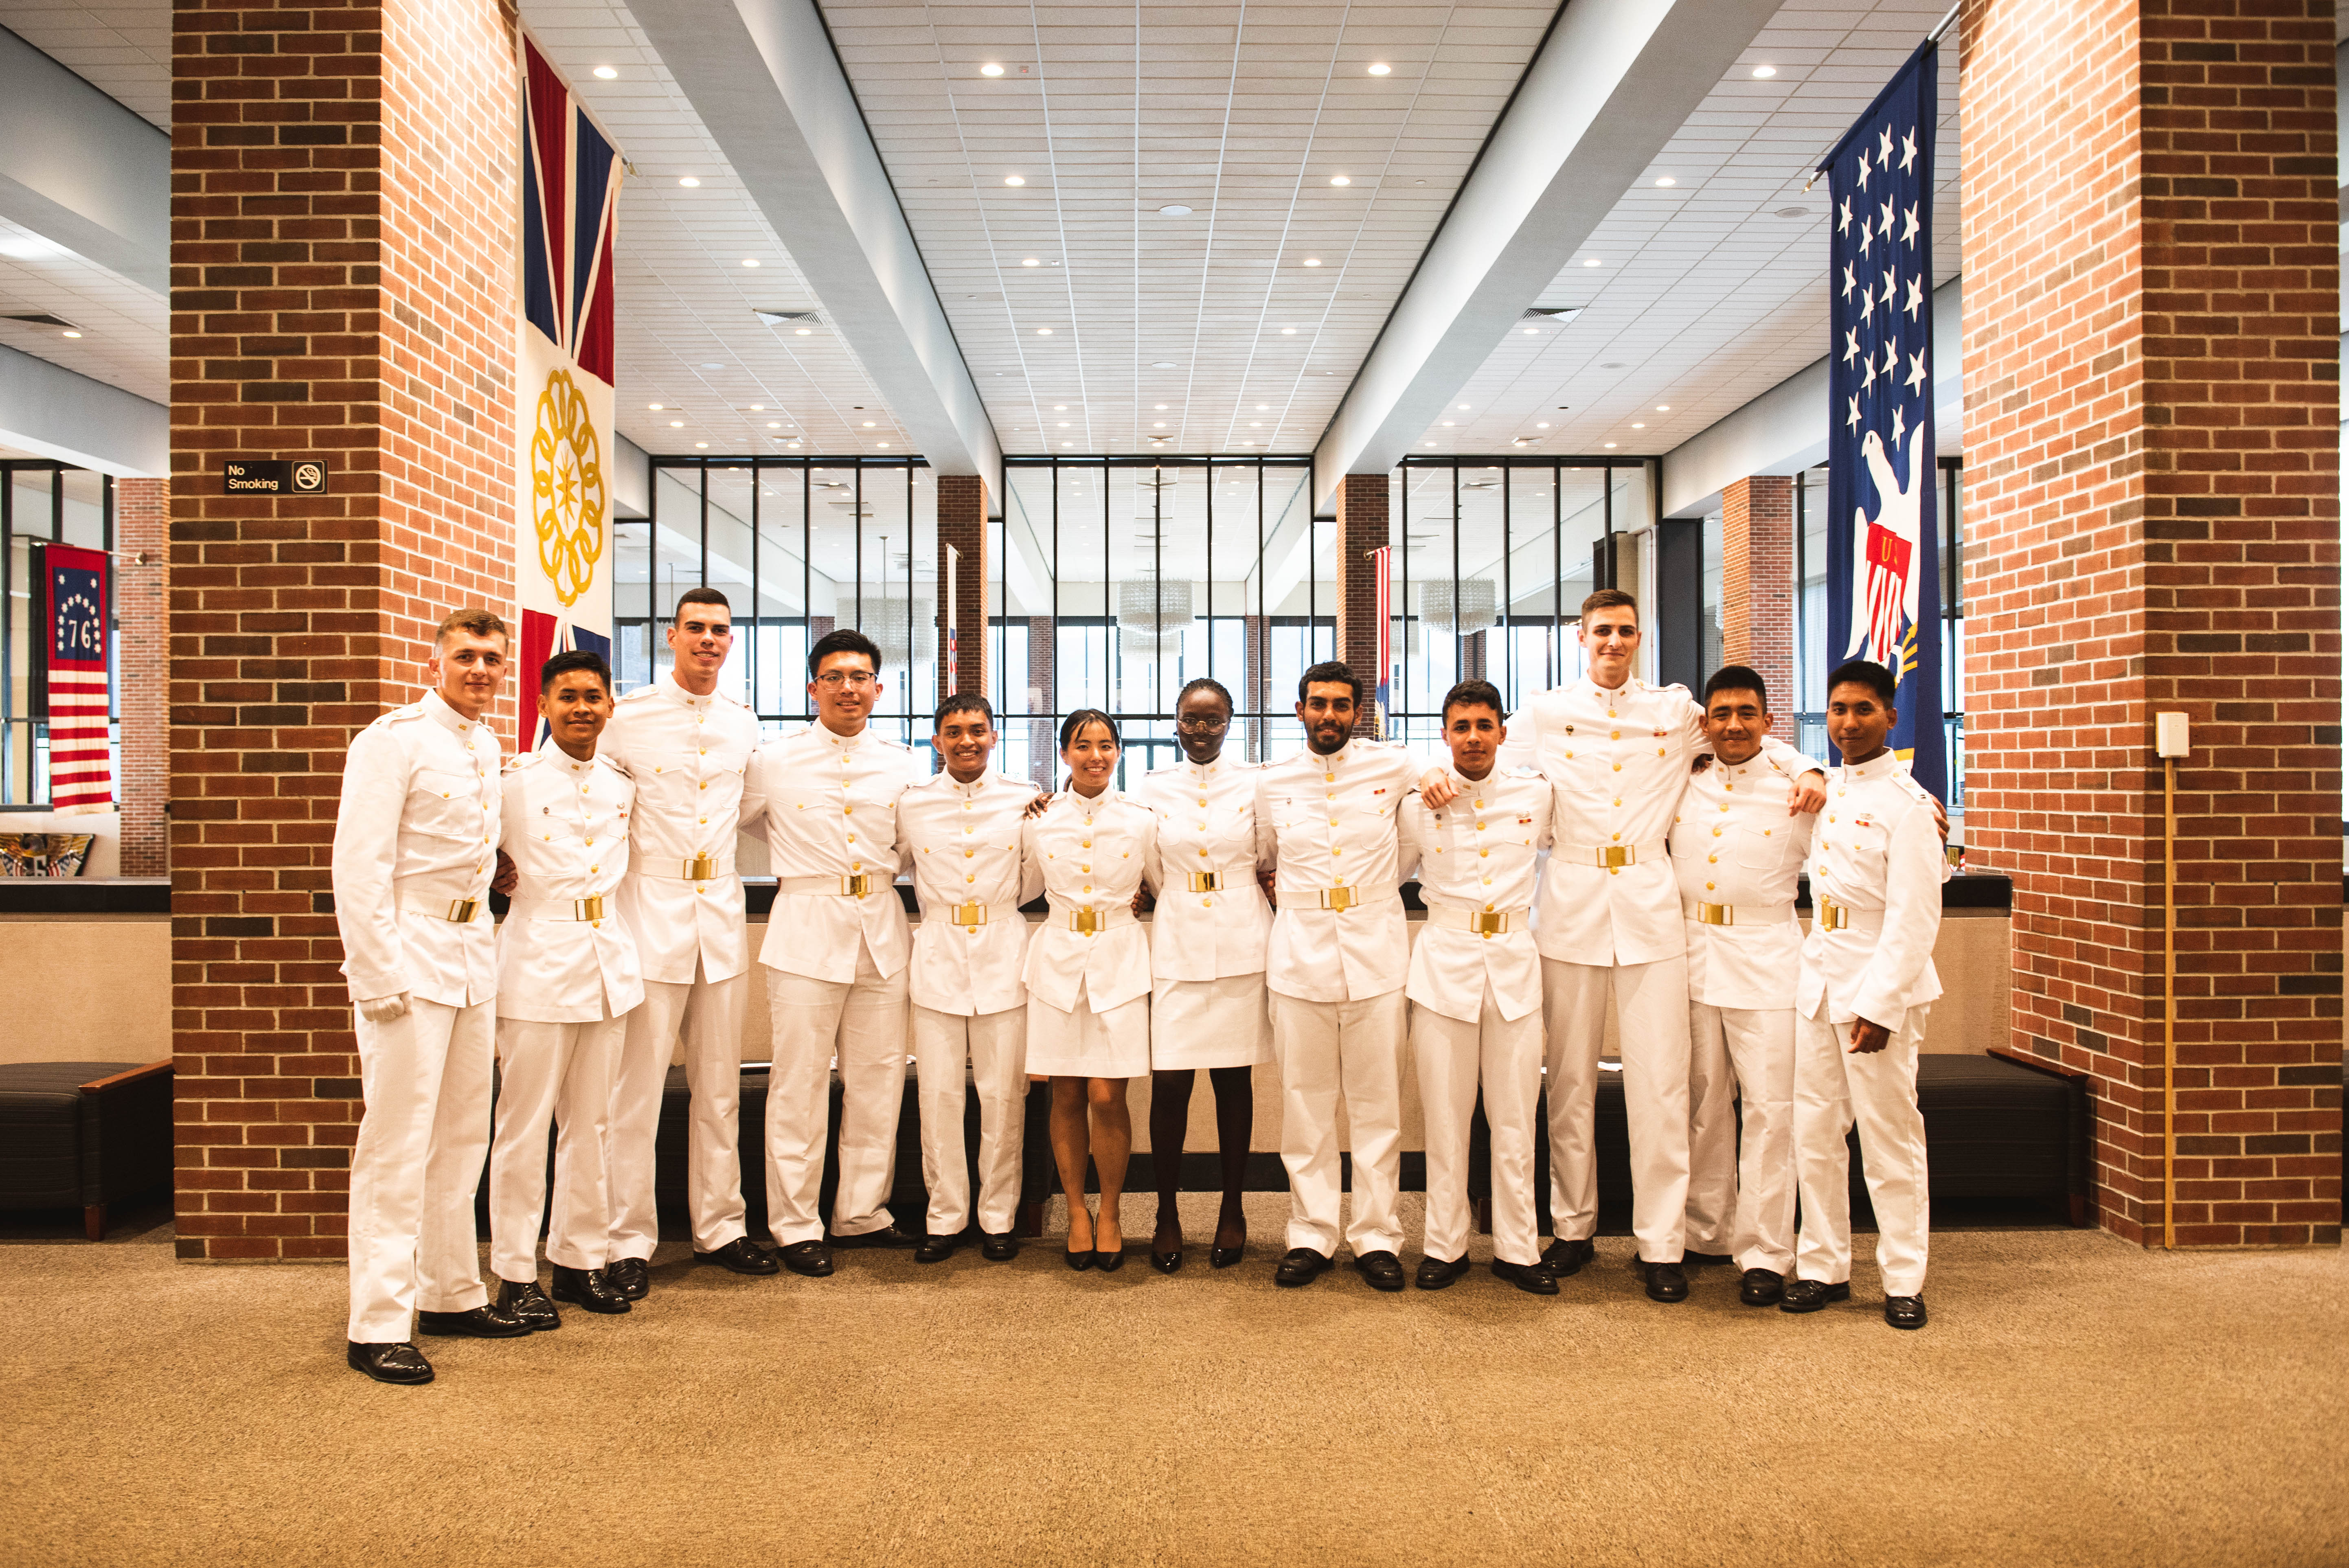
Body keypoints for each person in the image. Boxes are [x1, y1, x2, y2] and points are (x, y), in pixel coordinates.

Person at [1423, 590, 1823, 1303]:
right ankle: (1572, 1229)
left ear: (1640, 637)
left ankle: (1660, 1241)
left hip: (1649, 904)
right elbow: (1475, 755)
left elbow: (1750, 739)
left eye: (1626, 632)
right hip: (1571, 901)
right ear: (1581, 636)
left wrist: (1809, 770)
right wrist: (1427, 772)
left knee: (1660, 1083)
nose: (1614, 642)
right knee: (1569, 1082)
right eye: (1602, 631)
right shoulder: (1545, 713)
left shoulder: (1672, 712)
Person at [332, 608, 528, 1385]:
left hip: (473, 951)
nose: (481, 670)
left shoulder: (484, 746)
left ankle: (451, 1292)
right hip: (409, 957)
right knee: (396, 1145)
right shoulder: (393, 740)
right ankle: (377, 1320)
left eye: (493, 658)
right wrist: (377, 975)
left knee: (460, 1137)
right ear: (437, 659)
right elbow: (360, 866)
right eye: (468, 656)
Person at [601, 588, 776, 1293]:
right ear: (671, 636)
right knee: (635, 1091)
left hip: (721, 916)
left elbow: (762, 812)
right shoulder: (628, 720)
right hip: (650, 911)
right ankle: (626, 1240)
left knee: (719, 1088)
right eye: (697, 629)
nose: (710, 640)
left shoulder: (742, 723)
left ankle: (721, 1227)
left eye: (721, 631)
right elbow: (584, 800)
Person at [743, 628, 926, 1274]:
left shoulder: (904, 764)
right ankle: (795, 1226)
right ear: (812, 687)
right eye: (835, 677)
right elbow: (722, 823)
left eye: (860, 677)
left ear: (879, 688)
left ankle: (861, 1213)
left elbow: (920, 845)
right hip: (804, 930)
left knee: (877, 1083)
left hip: (881, 928)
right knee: (797, 1085)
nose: (848, 688)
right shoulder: (773, 760)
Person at [483, 650, 643, 1327]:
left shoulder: (620, 783)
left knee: (593, 1124)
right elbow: (475, 852)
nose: (582, 708)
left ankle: (582, 1260)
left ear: (611, 706)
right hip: (536, 961)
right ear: (544, 706)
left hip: (606, 963)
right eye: (567, 696)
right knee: (522, 1128)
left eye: (594, 696)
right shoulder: (511, 781)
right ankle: (516, 1273)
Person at [1785, 659, 1943, 1330]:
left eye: (1862, 710)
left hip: (1877, 988)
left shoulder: (1908, 808)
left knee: (1889, 1138)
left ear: (1889, 717)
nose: (1847, 724)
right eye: (1838, 711)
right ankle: (1824, 1265)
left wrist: (1880, 1006)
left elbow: (1915, 921)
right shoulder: (1831, 791)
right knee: (1815, 1134)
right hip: (1818, 977)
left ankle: (1903, 1276)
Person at [1255, 662, 1419, 1292]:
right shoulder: (1272, 783)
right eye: (1318, 704)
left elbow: (1437, 801)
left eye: (1341, 705)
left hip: (1376, 956)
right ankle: (1312, 1233)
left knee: (1378, 1107)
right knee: (1306, 1105)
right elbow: (1264, 856)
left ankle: (1377, 1235)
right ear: (1299, 711)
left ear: (1359, 713)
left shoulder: (1394, 767)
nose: (1330, 716)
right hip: (1299, 957)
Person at [1402, 680, 1557, 1296]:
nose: (1472, 737)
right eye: (1460, 726)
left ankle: (1519, 1248)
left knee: (1515, 1117)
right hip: (1444, 966)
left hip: (1515, 966)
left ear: (1502, 731)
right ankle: (1445, 1244)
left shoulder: (1537, 795)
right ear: (1444, 735)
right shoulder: (1416, 803)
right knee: (1444, 1117)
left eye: (1483, 725)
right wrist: (1421, 773)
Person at [1669, 666, 1815, 1307]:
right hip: (1692, 956)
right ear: (1705, 722)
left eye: (1746, 714)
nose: (1732, 725)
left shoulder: (1800, 789)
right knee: (1700, 1104)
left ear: (1767, 722)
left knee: (1769, 1112)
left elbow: (1866, 816)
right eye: (1720, 713)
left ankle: (1764, 1250)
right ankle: (1706, 1230)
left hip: (1767, 962)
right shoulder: (1685, 780)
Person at [1131, 677, 1272, 1272]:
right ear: (1175, 721)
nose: (1201, 731)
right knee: (1169, 1086)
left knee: (1232, 1084)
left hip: (1243, 936)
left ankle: (1232, 1209)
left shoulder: (1256, 784)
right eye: (1191, 719)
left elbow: (1267, 856)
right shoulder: (1150, 786)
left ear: (1231, 723)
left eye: (1213, 721)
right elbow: (1145, 861)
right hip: (1179, 935)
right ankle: (1166, 1212)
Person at [897, 694, 1043, 1264]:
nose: (966, 741)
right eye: (953, 731)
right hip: (936, 952)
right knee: (938, 1097)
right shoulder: (911, 804)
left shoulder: (1025, 800)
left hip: (1004, 952)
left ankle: (998, 1217)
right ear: (937, 742)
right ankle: (945, 1216)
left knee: (1003, 1095)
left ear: (993, 736)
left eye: (977, 730)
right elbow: (895, 861)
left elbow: (1034, 877)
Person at [1022, 709, 1158, 1271]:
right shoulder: (1036, 819)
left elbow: (1162, 886)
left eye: (1106, 745)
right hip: (1056, 961)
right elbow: (1021, 886)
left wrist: (1145, 902)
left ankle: (1112, 1212)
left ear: (1119, 753)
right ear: (1064, 754)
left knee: (1107, 1095)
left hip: (1119, 958)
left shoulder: (1142, 819)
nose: (1095, 755)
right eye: (1083, 745)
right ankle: (1077, 1211)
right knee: (1067, 1095)